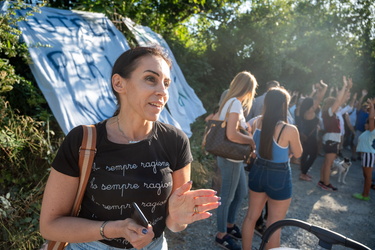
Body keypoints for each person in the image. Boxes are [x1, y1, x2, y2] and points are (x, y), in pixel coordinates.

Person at [39, 46, 221, 250]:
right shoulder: (83, 140)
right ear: (119, 83)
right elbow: (50, 226)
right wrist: (114, 229)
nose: (162, 91)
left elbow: (174, 222)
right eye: (151, 79)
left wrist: (178, 219)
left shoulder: (175, 140)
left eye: (166, 83)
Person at [242, 87, 302, 250]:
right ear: (284, 105)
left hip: (258, 170)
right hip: (279, 175)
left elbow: (244, 130)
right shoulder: (289, 129)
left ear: (267, 103)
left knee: (250, 218)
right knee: (274, 224)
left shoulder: (257, 121)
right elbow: (298, 153)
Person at [212, 71, 257, 250]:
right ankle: (221, 234)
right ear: (247, 89)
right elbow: (231, 134)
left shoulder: (229, 102)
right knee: (228, 196)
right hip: (230, 157)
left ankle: (229, 225)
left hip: (232, 157)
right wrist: (251, 140)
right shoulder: (235, 103)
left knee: (240, 193)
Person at [318, 76, 352, 191]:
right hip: (331, 139)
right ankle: (326, 183)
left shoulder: (329, 112)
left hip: (330, 139)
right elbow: (338, 101)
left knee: (327, 162)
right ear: (332, 105)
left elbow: (341, 101)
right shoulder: (328, 112)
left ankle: (323, 181)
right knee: (329, 163)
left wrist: (347, 89)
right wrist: (344, 86)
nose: (338, 106)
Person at [298, 81, 328, 181]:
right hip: (311, 137)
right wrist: (324, 87)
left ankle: (303, 172)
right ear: (310, 105)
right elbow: (319, 98)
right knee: (313, 155)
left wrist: (318, 90)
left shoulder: (303, 111)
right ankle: (303, 173)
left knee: (305, 154)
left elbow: (317, 98)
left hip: (306, 135)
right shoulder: (310, 111)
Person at [353, 98, 375, 201]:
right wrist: (371, 107)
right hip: (366, 155)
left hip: (368, 154)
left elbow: (371, 118)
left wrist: (372, 105)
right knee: (366, 176)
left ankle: (365, 195)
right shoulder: (368, 132)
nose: (365, 124)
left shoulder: (372, 131)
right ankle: (364, 193)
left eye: (367, 123)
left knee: (368, 176)